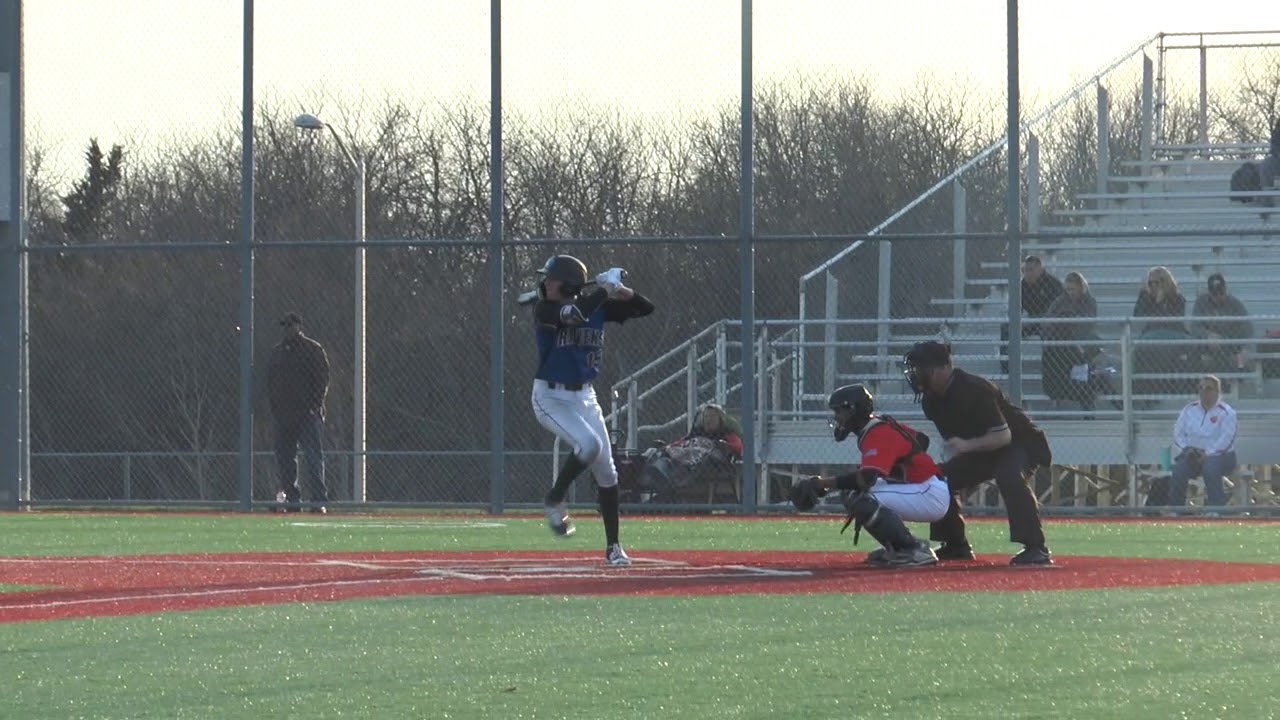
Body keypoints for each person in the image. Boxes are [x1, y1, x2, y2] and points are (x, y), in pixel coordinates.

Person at [529, 255, 654, 566]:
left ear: (567, 284)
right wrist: (604, 290)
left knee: (607, 473)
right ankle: (554, 499)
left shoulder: (597, 306)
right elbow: (574, 315)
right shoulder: (545, 309)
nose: (546, 283)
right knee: (589, 445)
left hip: (585, 397)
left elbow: (645, 308)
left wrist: (619, 289)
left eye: (552, 279)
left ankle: (614, 547)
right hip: (550, 397)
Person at [902, 341, 1054, 565]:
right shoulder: (931, 401)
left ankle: (1036, 548)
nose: (918, 374)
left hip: (1019, 442)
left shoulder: (974, 389)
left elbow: (1003, 436)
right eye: (916, 368)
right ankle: (955, 544)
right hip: (984, 449)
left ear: (945, 367)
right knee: (940, 479)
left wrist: (966, 446)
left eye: (925, 368)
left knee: (1009, 474)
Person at [789, 384, 950, 567]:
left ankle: (912, 549)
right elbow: (922, 440)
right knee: (855, 493)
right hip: (926, 486)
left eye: (840, 411)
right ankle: (896, 547)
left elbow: (865, 480)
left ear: (854, 409)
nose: (837, 417)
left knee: (858, 497)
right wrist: (901, 466)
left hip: (929, 492)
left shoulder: (877, 433)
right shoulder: (879, 423)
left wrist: (821, 483)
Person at [267, 312, 331, 513]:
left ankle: (318, 501)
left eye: (290, 325)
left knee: (313, 458)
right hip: (283, 415)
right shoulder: (278, 352)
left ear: (298, 326)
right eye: (284, 326)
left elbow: (322, 379)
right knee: (285, 461)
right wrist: (275, 407)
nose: (287, 330)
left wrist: (314, 406)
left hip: (306, 415)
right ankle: (292, 500)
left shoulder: (312, 349)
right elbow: (270, 381)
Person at [637, 403, 744, 503]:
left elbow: (738, 448)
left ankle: (669, 490)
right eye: (706, 417)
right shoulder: (697, 432)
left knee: (702, 459)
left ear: (720, 419)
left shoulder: (727, 434)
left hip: (706, 464)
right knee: (664, 458)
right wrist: (668, 448)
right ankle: (658, 473)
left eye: (712, 416)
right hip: (684, 459)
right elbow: (682, 442)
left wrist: (720, 444)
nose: (709, 420)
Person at [1166, 375, 1238, 513]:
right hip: (1192, 453)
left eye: (1208, 388)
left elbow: (1227, 440)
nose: (1204, 392)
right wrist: (1186, 448)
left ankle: (1215, 511)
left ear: (1217, 391)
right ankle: (1176, 511)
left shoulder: (1227, 412)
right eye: (1201, 388)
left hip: (1221, 456)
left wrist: (1208, 453)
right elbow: (1178, 433)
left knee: (1210, 468)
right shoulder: (1189, 409)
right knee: (1179, 470)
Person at [1041, 271, 1102, 412]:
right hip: (1063, 341)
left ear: (1080, 288)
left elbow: (1089, 324)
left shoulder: (1089, 301)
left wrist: (1071, 323)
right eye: (1067, 289)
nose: (1070, 292)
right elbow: (1048, 322)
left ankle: (1087, 400)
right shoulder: (1060, 301)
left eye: (1073, 289)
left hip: (1082, 339)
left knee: (1092, 345)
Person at [1132, 266, 1192, 395]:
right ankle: (1143, 391)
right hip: (1151, 335)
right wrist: (1155, 302)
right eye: (1150, 283)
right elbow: (1137, 315)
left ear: (1166, 282)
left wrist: (1160, 302)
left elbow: (1173, 320)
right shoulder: (1145, 297)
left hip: (1173, 333)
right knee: (1139, 350)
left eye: (1157, 282)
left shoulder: (1177, 298)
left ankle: (1179, 388)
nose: (1153, 286)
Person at [1001, 255, 1064, 373]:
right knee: (1006, 327)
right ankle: (1006, 367)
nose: (1027, 274)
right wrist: (1015, 321)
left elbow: (1061, 309)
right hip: (1032, 322)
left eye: (1031, 270)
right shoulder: (1021, 286)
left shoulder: (1053, 284)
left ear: (1040, 269)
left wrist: (1048, 319)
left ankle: (1049, 368)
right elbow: (1015, 309)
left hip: (1050, 323)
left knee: (1047, 332)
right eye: (1025, 270)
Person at [1189, 273, 1252, 376]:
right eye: (1215, 294)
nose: (1218, 296)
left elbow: (1246, 327)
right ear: (1209, 293)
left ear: (1226, 290)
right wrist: (1208, 335)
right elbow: (1195, 326)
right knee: (1192, 350)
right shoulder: (1201, 302)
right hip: (1207, 344)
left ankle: (1227, 380)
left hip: (1229, 343)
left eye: (1221, 293)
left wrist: (1227, 339)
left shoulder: (1235, 304)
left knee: (1231, 353)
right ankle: (1194, 382)